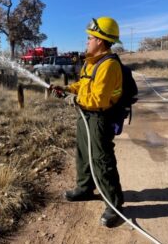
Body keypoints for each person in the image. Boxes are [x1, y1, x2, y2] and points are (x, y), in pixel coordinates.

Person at [51, 16, 124, 227]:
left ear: (100, 40)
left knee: (101, 159)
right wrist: (66, 89)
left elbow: (98, 99)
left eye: (89, 38)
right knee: (83, 152)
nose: (87, 41)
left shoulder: (109, 65)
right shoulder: (91, 63)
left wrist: (74, 99)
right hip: (86, 114)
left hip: (99, 116)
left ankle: (114, 204)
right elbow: (83, 86)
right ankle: (84, 188)